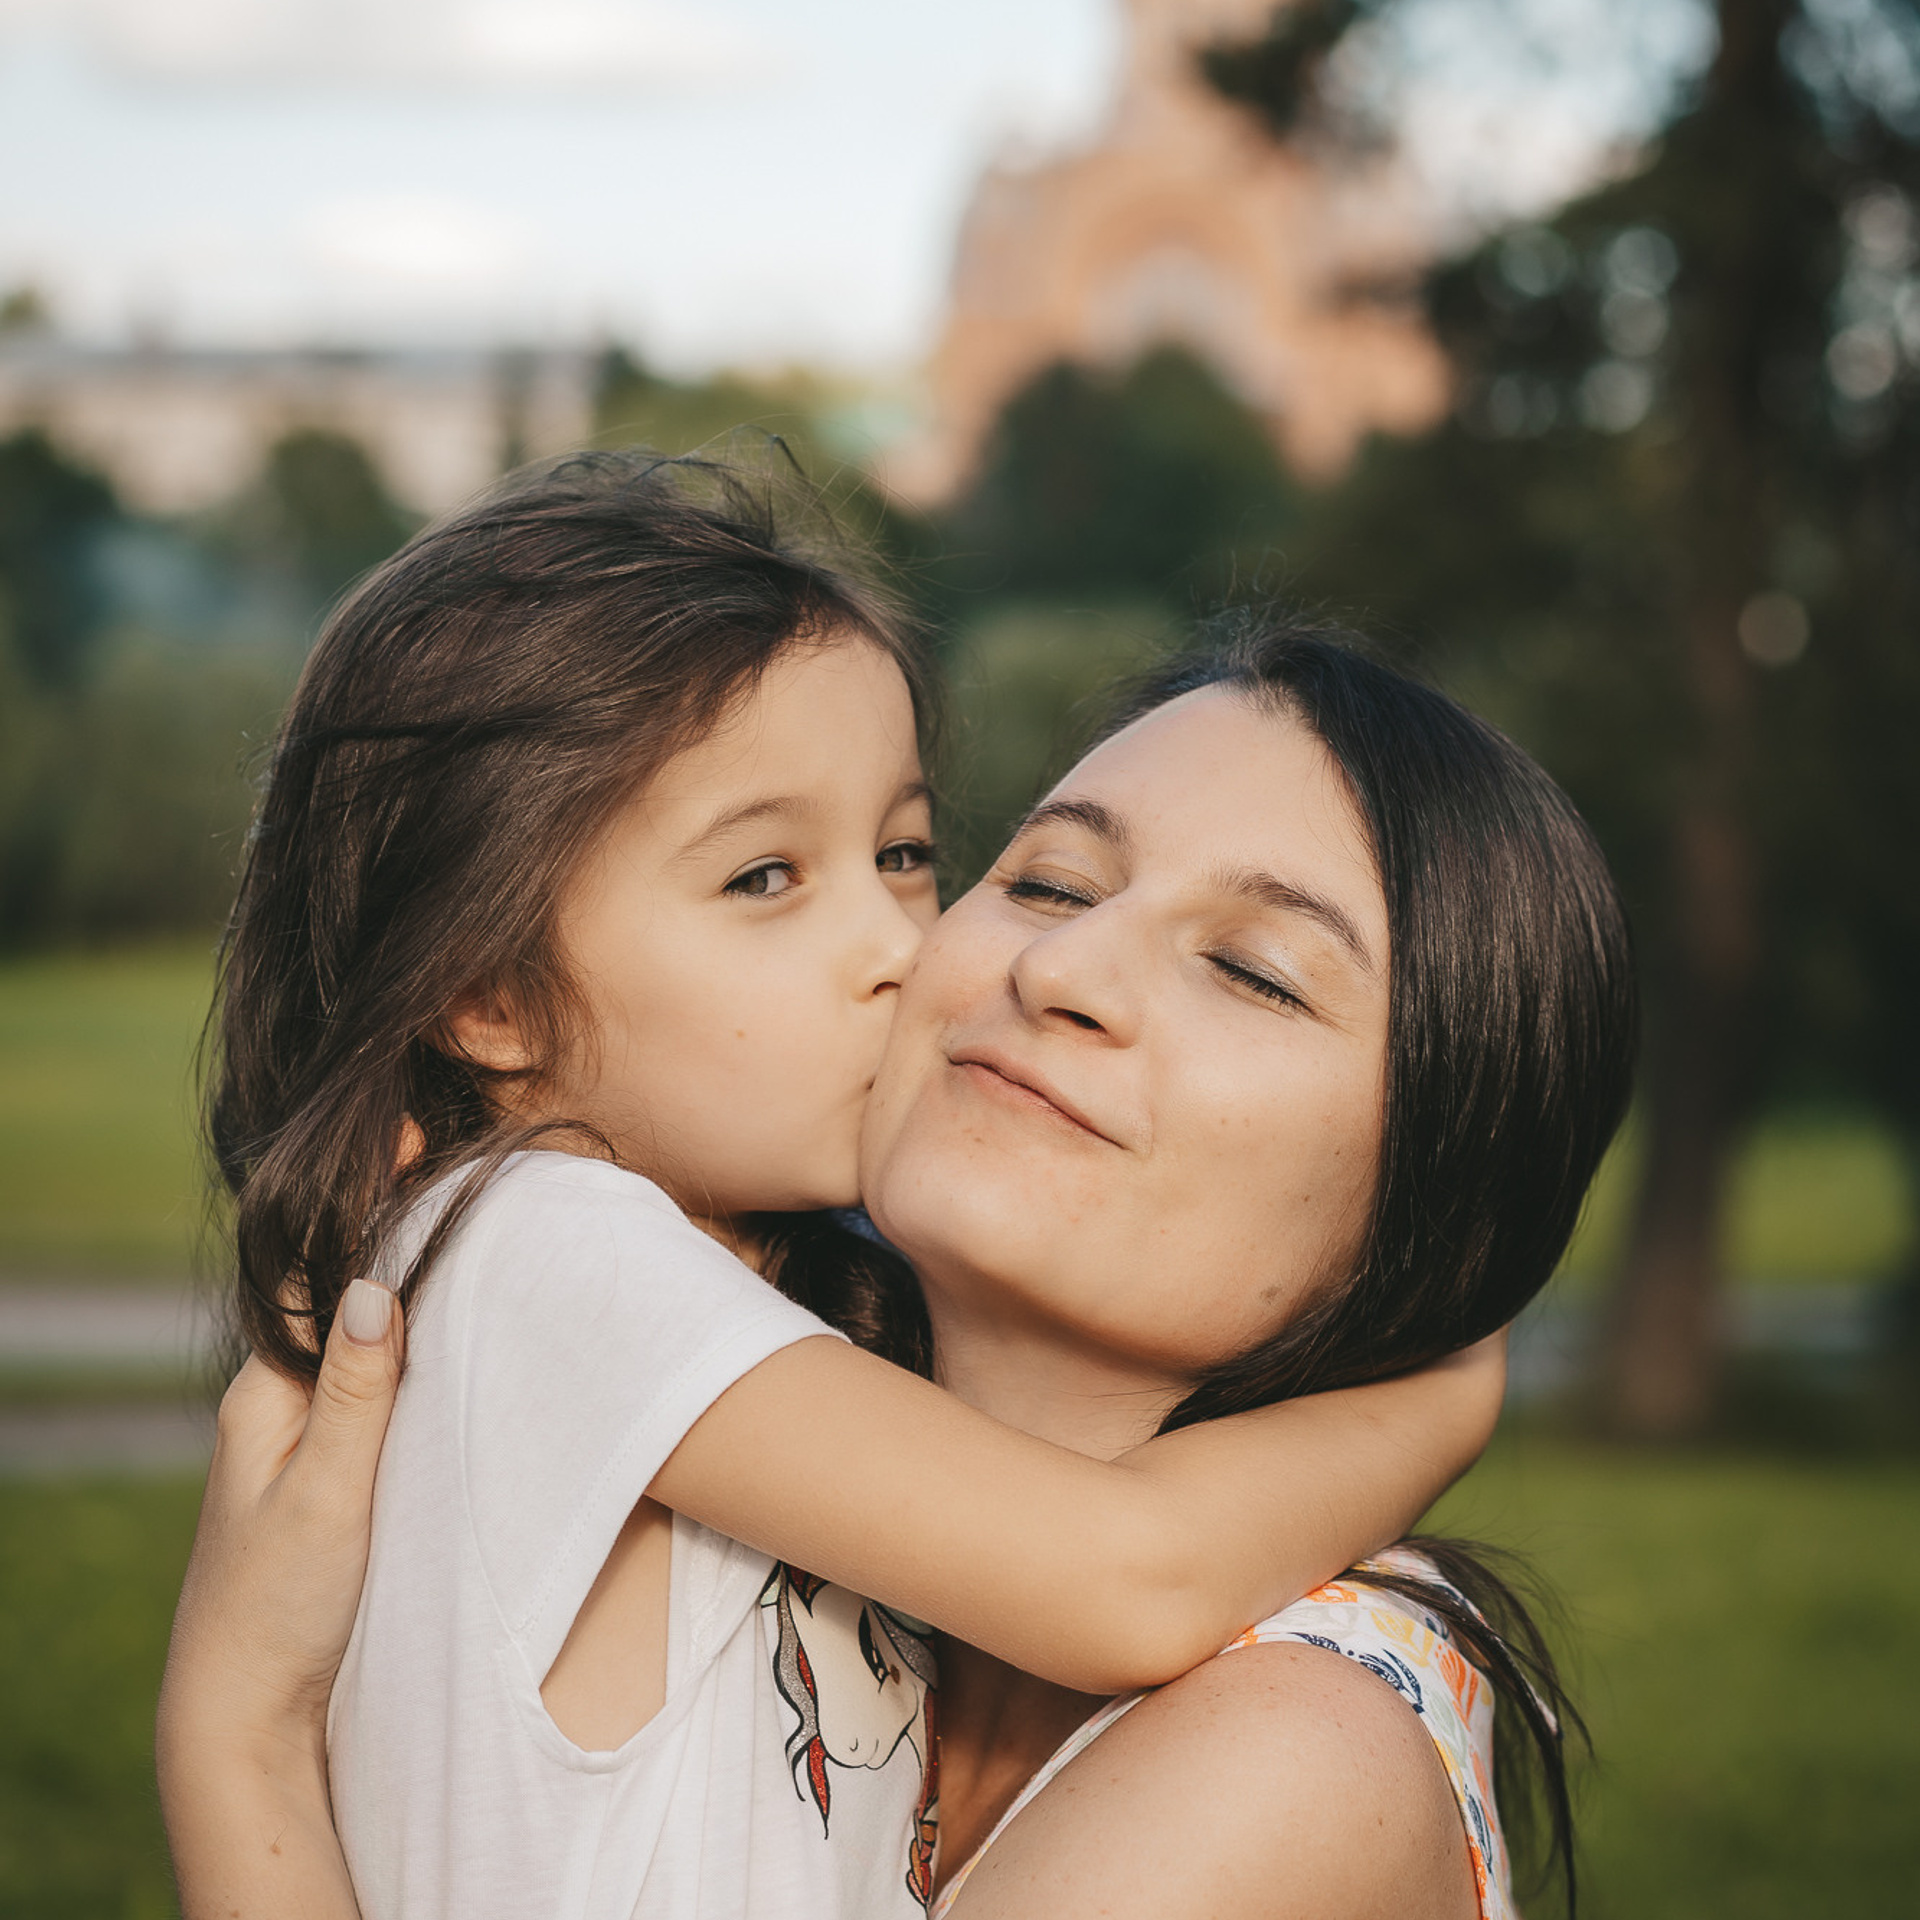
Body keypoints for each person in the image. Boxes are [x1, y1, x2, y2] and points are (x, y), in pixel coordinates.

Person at [158, 453, 1514, 1920]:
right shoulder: (549, 1246)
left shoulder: (726, 1300)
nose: (899, 945)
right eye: (764, 878)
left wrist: (236, 1741)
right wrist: (1435, 1398)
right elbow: (1129, 1579)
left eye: (908, 852)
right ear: (491, 996)